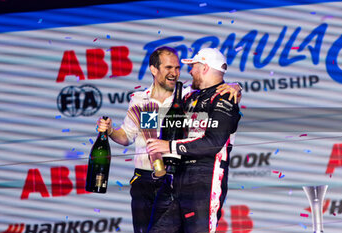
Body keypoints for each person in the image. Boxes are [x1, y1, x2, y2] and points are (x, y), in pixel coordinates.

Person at [97, 46, 242, 233]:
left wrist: (235, 87)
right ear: (153, 69)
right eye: (168, 68)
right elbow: (126, 136)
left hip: (177, 175)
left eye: (177, 68)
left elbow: (217, 91)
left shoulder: (185, 94)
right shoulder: (141, 100)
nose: (175, 73)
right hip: (147, 177)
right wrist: (110, 131)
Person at [146, 48, 241, 233]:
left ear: (205, 68)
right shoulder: (188, 95)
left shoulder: (225, 98)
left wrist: (170, 146)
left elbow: (213, 143)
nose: (190, 71)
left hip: (203, 182)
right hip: (174, 178)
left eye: (193, 67)